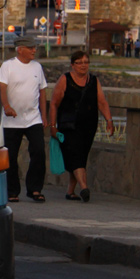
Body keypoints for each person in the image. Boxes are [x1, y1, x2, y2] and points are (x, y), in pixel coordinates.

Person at [48, 50, 114, 202]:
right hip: (68, 126)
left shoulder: (93, 81)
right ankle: (84, 187)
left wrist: (109, 120)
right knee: (75, 155)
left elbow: (102, 102)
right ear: (72, 65)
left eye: (86, 62)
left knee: (80, 157)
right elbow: (54, 103)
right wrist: (53, 125)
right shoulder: (65, 79)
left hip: (88, 126)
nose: (83, 66)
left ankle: (70, 191)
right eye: (79, 63)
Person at [0, 35, 49, 202]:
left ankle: (35, 189)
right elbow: (2, 89)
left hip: (33, 118)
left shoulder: (37, 67)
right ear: (20, 50)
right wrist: (6, 106)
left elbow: (42, 92)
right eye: (30, 48)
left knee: (39, 152)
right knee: (10, 156)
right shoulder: (8, 66)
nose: (34, 50)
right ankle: (12, 191)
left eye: (35, 47)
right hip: (11, 120)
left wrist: (44, 115)